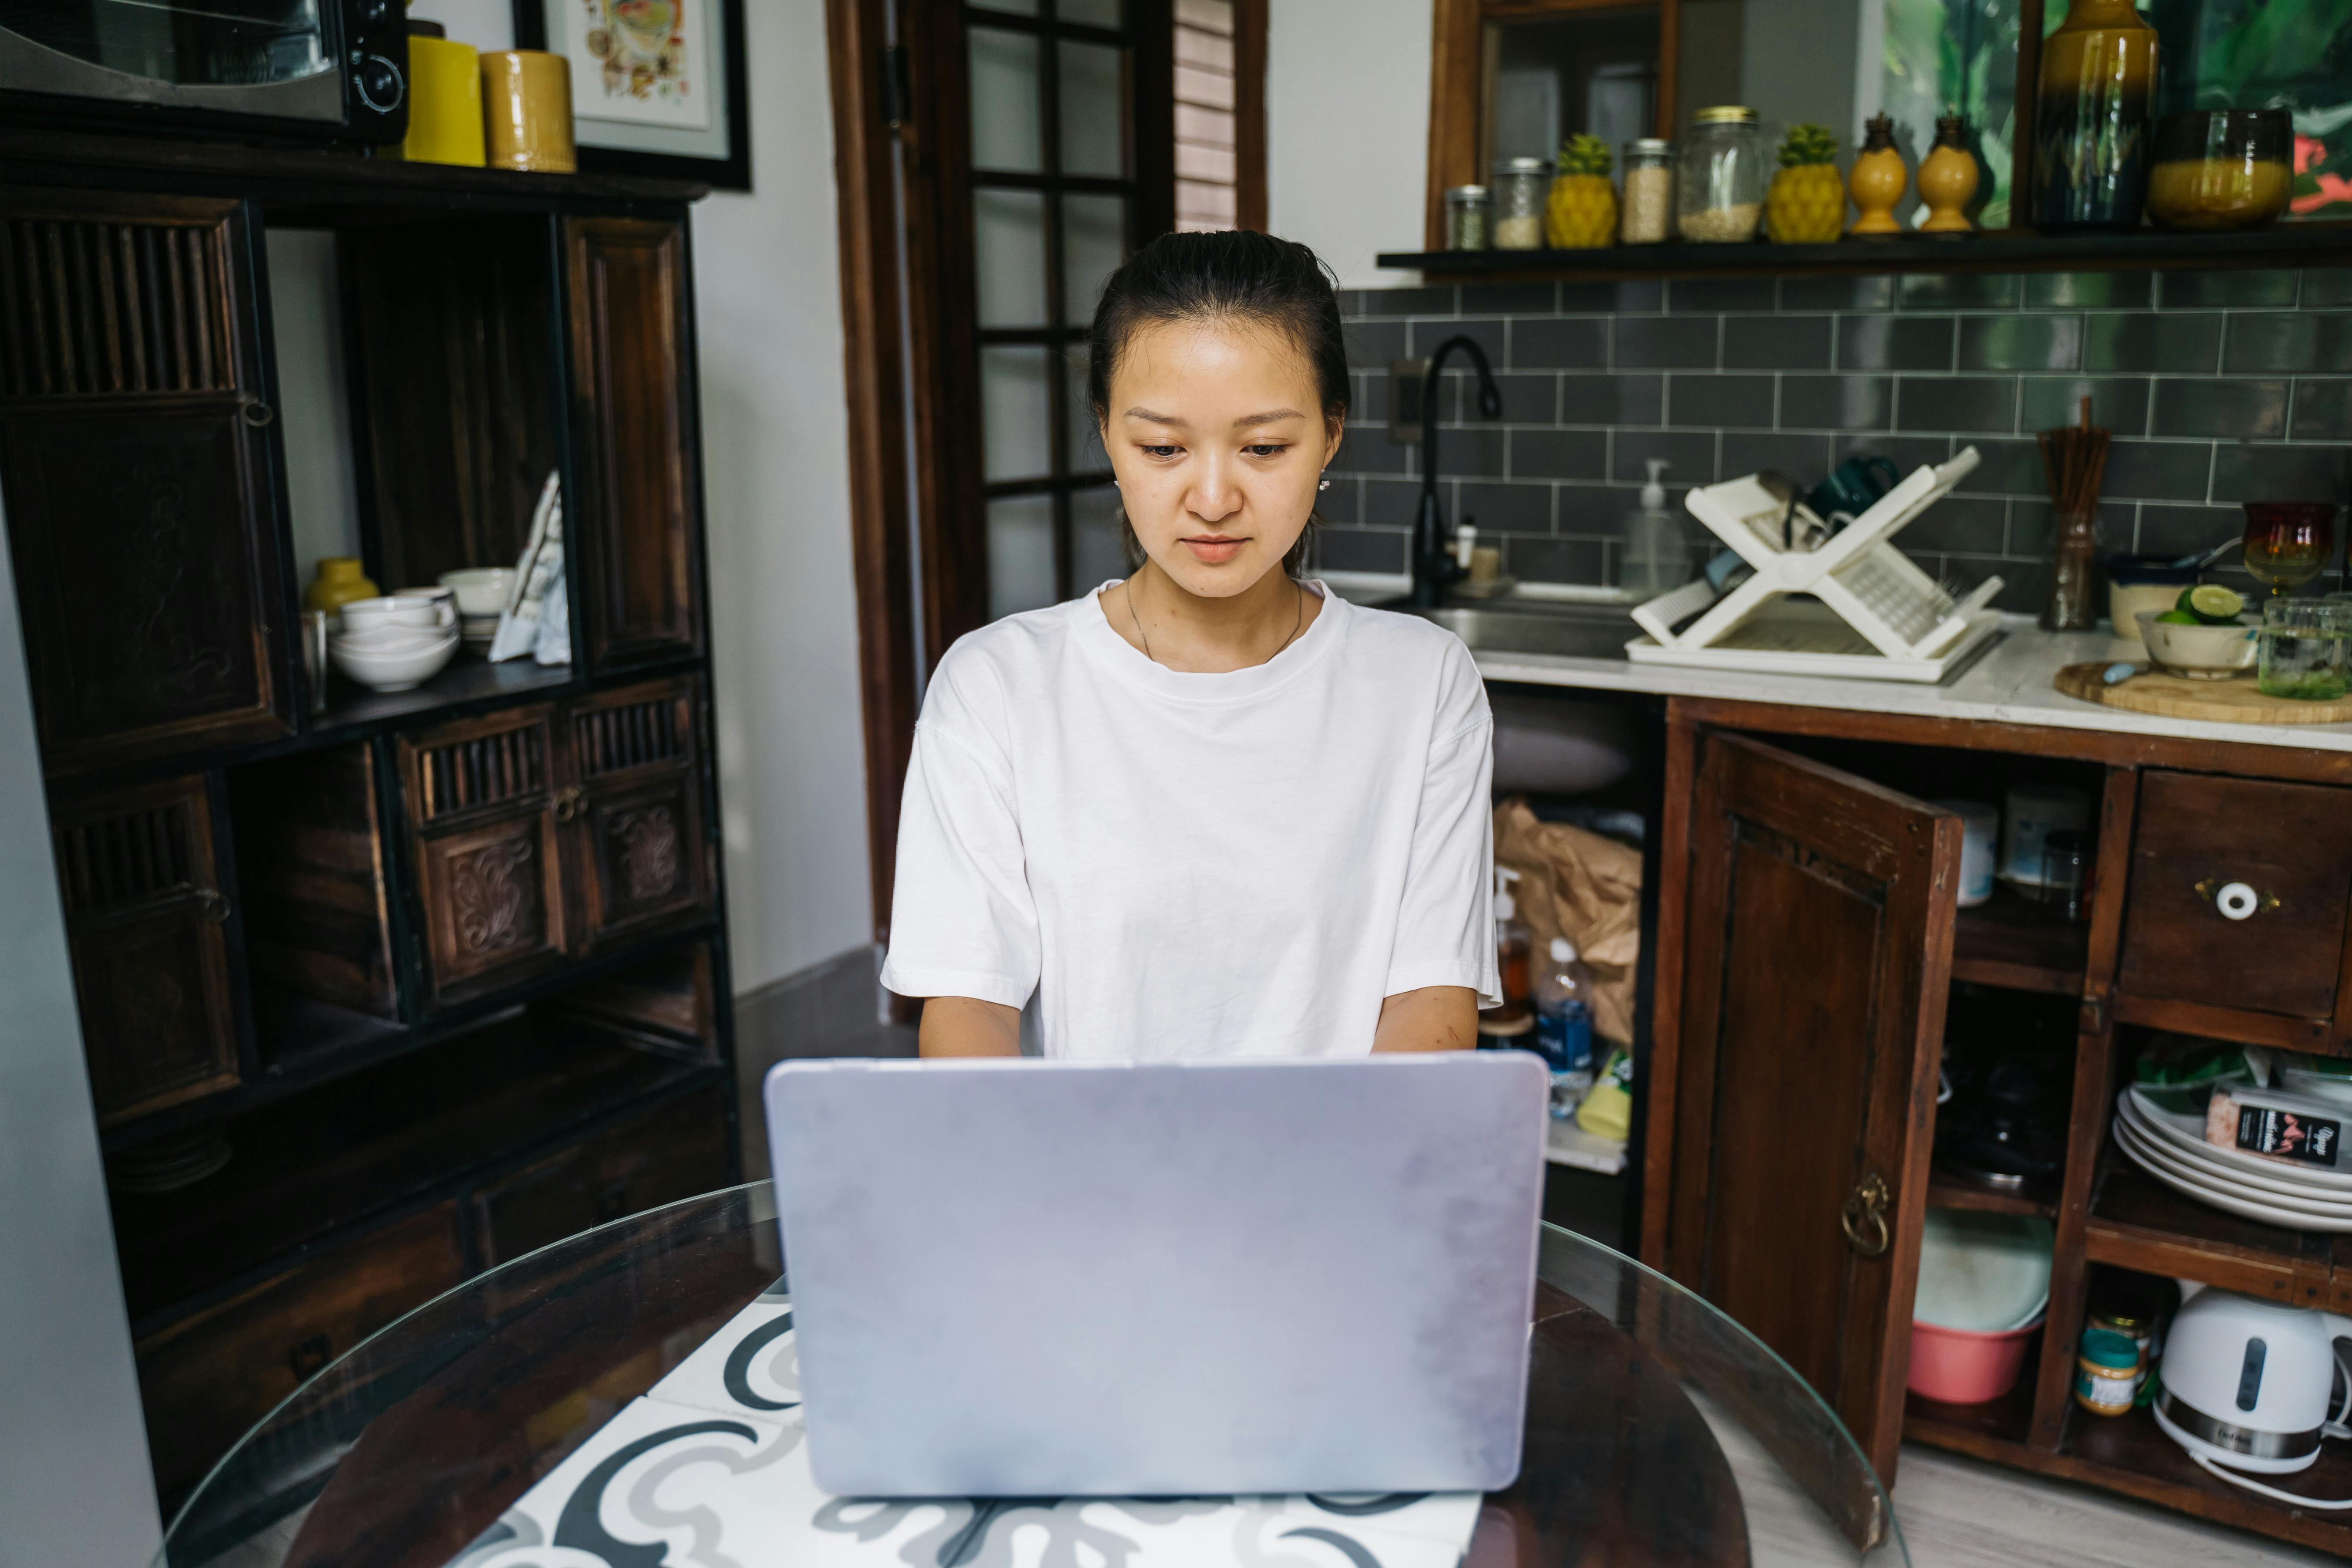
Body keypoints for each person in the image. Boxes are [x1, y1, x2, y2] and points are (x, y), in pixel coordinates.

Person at [881, 230, 1496, 1059]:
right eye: (1164, 448)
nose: (1212, 498)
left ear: (1333, 435)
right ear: (1105, 433)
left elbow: (1432, 1004)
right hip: (1087, 1175)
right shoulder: (996, 688)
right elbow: (968, 1010)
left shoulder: (1421, 683)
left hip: (1339, 1174)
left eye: (1265, 448)